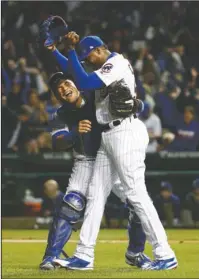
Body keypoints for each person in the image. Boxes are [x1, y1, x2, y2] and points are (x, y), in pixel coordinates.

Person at [53, 32, 177, 271]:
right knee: (96, 193)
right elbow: (76, 71)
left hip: (125, 132)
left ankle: (165, 253)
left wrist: (70, 51)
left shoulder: (116, 63)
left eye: (89, 57)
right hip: (109, 135)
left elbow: (86, 82)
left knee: (136, 193)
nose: (87, 62)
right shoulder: (103, 67)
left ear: (99, 50)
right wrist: (55, 52)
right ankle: (84, 255)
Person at [39, 70, 149, 270]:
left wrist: (138, 105)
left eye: (66, 83)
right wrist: (74, 133)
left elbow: (138, 105)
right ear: (57, 96)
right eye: (58, 89)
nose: (64, 88)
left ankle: (135, 254)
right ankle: (50, 257)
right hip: (86, 160)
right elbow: (57, 142)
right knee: (70, 204)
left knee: (139, 205)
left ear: (75, 83)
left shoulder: (97, 95)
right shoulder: (61, 114)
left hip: (114, 156)